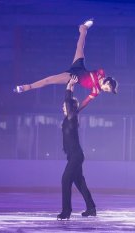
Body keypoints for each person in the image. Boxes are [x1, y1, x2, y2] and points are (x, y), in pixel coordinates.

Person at [14, 18, 118, 112]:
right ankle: (83, 28)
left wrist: (76, 112)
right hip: (79, 67)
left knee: (49, 80)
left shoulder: (96, 91)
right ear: (107, 82)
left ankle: (26, 87)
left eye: (108, 91)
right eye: (107, 88)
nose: (106, 91)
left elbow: (85, 102)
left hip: (73, 76)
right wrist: (101, 79)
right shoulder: (101, 73)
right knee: (80, 47)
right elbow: (101, 71)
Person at [57, 76, 96, 220]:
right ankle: (91, 208)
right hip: (74, 156)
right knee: (79, 182)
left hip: (76, 156)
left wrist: (68, 87)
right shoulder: (69, 119)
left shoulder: (72, 118)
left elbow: (68, 102)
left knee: (65, 180)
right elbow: (69, 102)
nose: (62, 107)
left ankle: (66, 211)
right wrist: (72, 86)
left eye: (65, 106)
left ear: (70, 109)